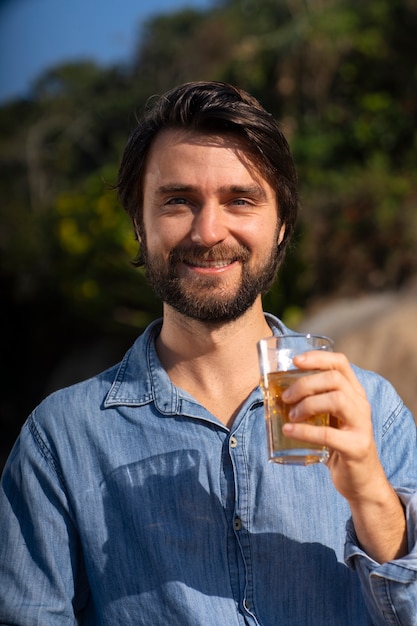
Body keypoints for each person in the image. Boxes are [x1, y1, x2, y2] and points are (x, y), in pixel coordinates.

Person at [1, 81, 417, 626]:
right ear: (138, 223)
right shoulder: (59, 440)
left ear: (282, 224)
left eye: (240, 200)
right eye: (178, 201)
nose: (208, 231)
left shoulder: (374, 412)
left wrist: (370, 496)